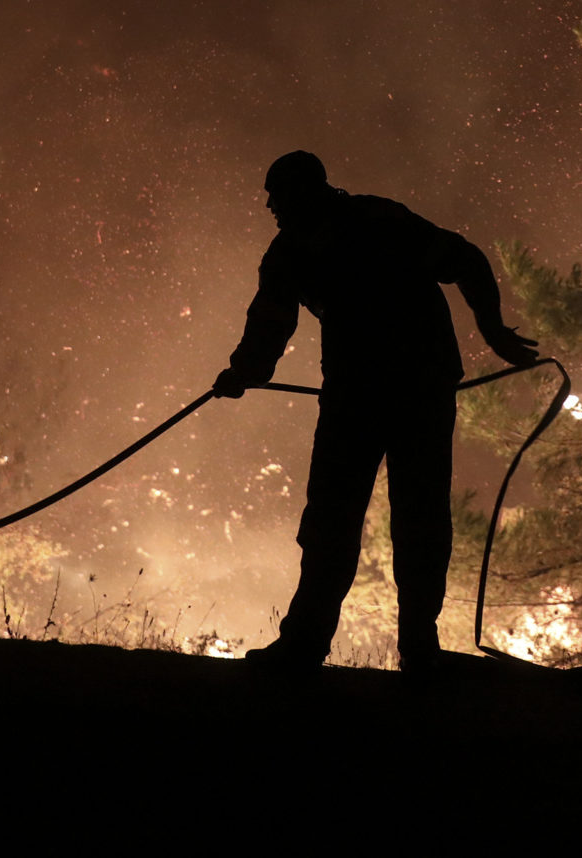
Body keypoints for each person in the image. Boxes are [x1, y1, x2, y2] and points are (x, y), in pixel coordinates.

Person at [214, 149, 540, 674]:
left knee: (390, 519)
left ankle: (388, 647)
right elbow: (268, 325)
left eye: (277, 195)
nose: (270, 205)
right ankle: (352, 648)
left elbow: (463, 259)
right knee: (365, 520)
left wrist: (494, 329)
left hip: (404, 390)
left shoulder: (367, 225)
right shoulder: (314, 243)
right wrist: (243, 372)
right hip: (378, 391)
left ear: (305, 192)